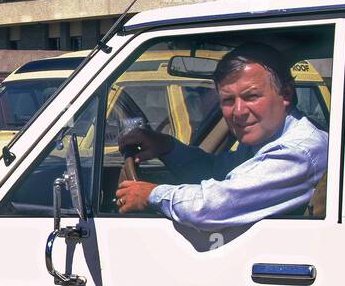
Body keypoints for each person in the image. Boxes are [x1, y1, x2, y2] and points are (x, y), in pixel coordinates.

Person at [115, 44, 328, 228]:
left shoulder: (297, 151)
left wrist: (151, 195)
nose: (238, 111)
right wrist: (167, 147)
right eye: (228, 101)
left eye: (251, 96)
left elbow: (215, 205)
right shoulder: (266, 140)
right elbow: (214, 170)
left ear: (286, 95)